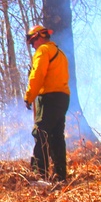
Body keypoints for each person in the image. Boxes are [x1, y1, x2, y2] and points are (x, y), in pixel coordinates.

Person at [23, 25, 70, 182]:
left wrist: (29, 96)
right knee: (56, 136)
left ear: (38, 37)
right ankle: (60, 174)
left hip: (48, 97)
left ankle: (40, 173)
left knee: (41, 132)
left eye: (32, 42)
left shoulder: (43, 51)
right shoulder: (60, 53)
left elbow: (37, 76)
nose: (33, 46)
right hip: (62, 98)